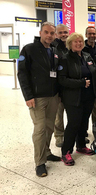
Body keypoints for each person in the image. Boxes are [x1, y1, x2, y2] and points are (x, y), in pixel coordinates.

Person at [17, 22, 61, 177]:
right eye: (46, 32)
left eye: (52, 33)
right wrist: (28, 96)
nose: (49, 35)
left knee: (49, 127)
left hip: (53, 96)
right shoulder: (29, 49)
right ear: (41, 32)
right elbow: (22, 74)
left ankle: (47, 152)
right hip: (37, 97)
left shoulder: (54, 51)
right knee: (40, 129)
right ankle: (40, 162)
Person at [58, 33, 96, 166]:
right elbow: (62, 80)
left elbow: (95, 75)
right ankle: (66, 151)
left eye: (80, 41)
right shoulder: (65, 59)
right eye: (75, 42)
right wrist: (81, 83)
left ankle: (81, 146)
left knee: (84, 122)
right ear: (70, 43)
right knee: (74, 124)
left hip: (88, 97)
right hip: (73, 98)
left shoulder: (87, 56)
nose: (78, 44)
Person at [52, 24, 69, 147]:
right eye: (61, 32)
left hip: (69, 86)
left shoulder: (70, 46)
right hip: (57, 87)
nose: (64, 35)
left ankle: (71, 135)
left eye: (65, 32)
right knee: (59, 114)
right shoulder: (53, 47)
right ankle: (59, 136)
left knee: (72, 113)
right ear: (57, 34)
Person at [83, 26, 96, 126]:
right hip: (85, 81)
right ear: (86, 35)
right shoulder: (81, 47)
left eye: (94, 34)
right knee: (85, 109)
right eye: (90, 34)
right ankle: (84, 130)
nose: (92, 36)